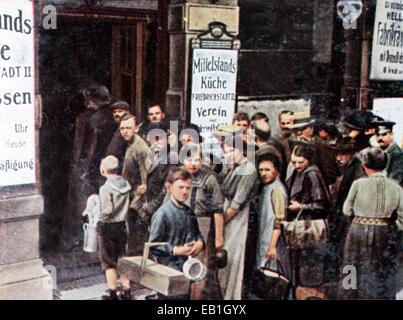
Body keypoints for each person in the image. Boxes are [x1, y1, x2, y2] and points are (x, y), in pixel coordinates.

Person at [340, 147, 403, 300]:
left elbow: (347, 210)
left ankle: (350, 296)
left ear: (365, 166)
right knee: (382, 269)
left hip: (358, 231)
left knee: (351, 267)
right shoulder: (396, 188)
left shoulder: (358, 184)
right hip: (385, 232)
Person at [63, 84, 117, 250]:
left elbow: (85, 147)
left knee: (81, 204)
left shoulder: (89, 119)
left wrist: (81, 167)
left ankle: (77, 240)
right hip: (106, 166)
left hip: (88, 166)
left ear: (92, 101)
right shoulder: (113, 116)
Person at [149, 167, 204, 300]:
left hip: (187, 271)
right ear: (169, 187)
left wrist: (200, 243)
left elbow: (198, 234)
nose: (185, 192)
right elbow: (153, 245)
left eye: (187, 188)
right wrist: (176, 250)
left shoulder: (189, 212)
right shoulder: (162, 214)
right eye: (180, 187)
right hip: (168, 272)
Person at [180, 143, 225, 300]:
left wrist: (219, 238)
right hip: (181, 221)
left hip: (202, 223)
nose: (193, 163)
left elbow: (218, 210)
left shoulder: (210, 178)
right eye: (189, 159)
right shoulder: (179, 175)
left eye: (197, 159)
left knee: (197, 267)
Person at [286, 143, 330, 300]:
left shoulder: (312, 174)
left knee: (309, 276)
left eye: (300, 162)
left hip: (309, 230)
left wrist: (300, 207)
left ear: (308, 160)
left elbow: (322, 204)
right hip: (302, 229)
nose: (297, 165)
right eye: (294, 162)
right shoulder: (302, 172)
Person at [217, 135, 258, 300]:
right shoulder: (233, 166)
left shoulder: (249, 170)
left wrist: (219, 223)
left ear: (242, 150)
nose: (230, 155)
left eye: (233, 151)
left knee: (234, 256)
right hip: (227, 212)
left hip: (239, 217)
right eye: (227, 152)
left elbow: (237, 203)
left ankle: (231, 297)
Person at [326, 136, 364, 297]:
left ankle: (348, 293)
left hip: (348, 223)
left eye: (343, 154)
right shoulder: (347, 169)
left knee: (348, 259)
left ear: (351, 154)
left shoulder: (356, 171)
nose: (339, 158)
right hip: (341, 221)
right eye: (337, 154)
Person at [250, 152, 290, 299]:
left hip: (272, 243)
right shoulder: (267, 187)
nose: (263, 173)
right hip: (264, 241)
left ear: (277, 170)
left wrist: (272, 246)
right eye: (261, 170)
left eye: (267, 170)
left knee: (272, 283)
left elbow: (279, 220)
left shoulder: (277, 190)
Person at [97, 156, 132, 300]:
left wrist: (98, 220)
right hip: (122, 225)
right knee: (122, 259)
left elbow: (107, 211)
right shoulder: (126, 184)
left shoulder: (105, 188)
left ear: (103, 170)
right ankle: (127, 291)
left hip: (108, 227)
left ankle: (112, 293)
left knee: (109, 262)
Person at [119, 113, 151, 256]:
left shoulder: (141, 147)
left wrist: (141, 196)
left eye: (128, 128)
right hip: (129, 195)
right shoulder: (128, 144)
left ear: (136, 129)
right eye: (122, 128)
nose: (125, 131)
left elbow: (146, 176)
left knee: (137, 234)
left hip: (138, 199)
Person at [287, 113, 337, 186]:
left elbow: (330, 174)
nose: (299, 133)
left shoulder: (321, 145)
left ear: (312, 128)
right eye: (295, 129)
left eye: (302, 129)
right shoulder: (292, 143)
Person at [374, 120, 403, 186]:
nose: (380, 138)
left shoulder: (398, 154)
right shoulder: (377, 152)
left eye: (384, 134)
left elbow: (395, 181)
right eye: (377, 135)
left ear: (391, 135)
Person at [106, 101, 131, 165]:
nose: (117, 114)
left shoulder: (128, 126)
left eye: (120, 111)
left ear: (127, 112)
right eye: (114, 112)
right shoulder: (118, 126)